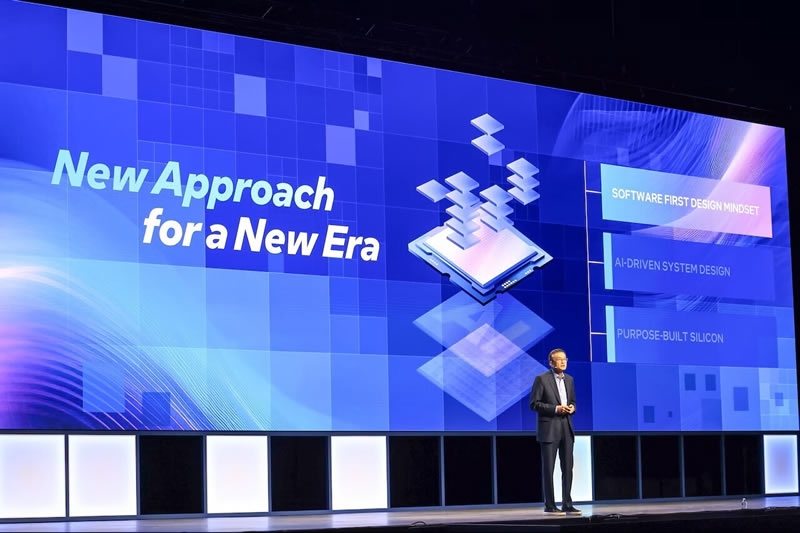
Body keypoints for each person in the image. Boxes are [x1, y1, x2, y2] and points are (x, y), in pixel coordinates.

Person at [529, 348, 581, 515]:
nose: (563, 362)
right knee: (549, 469)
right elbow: (534, 404)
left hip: (566, 427)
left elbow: (573, 401)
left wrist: (572, 407)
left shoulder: (570, 380)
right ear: (551, 363)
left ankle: (567, 503)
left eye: (565, 359)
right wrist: (556, 409)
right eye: (559, 359)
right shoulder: (541, 379)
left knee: (567, 468)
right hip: (549, 428)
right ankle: (550, 505)